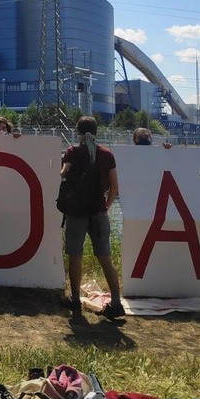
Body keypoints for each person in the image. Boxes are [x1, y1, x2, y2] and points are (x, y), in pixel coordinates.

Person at [60, 116, 124, 318]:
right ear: (97, 131)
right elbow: (114, 187)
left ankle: (75, 299)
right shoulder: (107, 154)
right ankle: (115, 302)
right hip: (98, 212)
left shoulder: (72, 152)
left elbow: (62, 174)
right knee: (105, 257)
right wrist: (105, 206)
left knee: (75, 256)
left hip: (76, 212)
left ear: (77, 132)